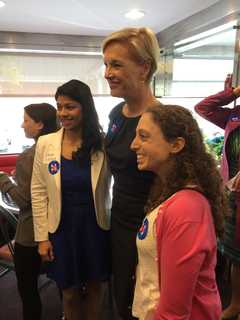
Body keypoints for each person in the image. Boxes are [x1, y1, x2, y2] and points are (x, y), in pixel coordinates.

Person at [131, 104, 224, 320]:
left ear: (176, 145)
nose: (133, 145)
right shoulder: (170, 193)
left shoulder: (186, 209)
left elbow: (174, 313)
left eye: (143, 137)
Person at [31, 79, 111, 320]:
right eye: (60, 106)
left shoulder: (102, 142)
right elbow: (38, 191)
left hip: (96, 226)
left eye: (70, 107)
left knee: (97, 288)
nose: (63, 113)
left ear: (85, 107)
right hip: (62, 228)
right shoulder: (46, 143)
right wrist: (42, 238)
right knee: (69, 292)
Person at [102, 27, 161, 319]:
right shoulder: (115, 116)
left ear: (144, 67)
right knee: (121, 300)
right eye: (106, 64)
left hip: (152, 230)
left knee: (147, 306)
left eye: (116, 64)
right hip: (119, 222)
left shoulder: (164, 120)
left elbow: (178, 188)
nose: (107, 72)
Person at [0, 103, 58, 320]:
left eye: (26, 120)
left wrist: (3, 180)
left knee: (27, 290)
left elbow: (24, 200)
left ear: (40, 125)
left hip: (31, 233)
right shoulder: (62, 150)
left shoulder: (28, 156)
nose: (22, 125)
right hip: (59, 227)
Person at [195, 83, 240, 320]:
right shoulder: (235, 114)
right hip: (233, 196)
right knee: (235, 255)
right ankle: (235, 304)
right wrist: (231, 94)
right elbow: (203, 108)